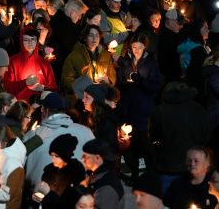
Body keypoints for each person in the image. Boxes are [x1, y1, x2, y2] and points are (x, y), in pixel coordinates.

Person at [23, 92, 94, 187]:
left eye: (42, 109)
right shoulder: (85, 131)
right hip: (76, 196)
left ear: (45, 111)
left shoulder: (33, 135)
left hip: (38, 194)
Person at [116, 33, 160, 183]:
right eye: (134, 47)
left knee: (146, 147)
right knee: (130, 148)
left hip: (144, 111)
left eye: (140, 48)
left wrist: (140, 81)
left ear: (144, 47)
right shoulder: (124, 62)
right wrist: (125, 82)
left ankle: (151, 176)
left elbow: (154, 87)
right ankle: (134, 175)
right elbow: (119, 82)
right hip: (127, 111)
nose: (136, 51)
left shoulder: (150, 64)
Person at [150, 82, 210, 193]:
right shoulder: (199, 109)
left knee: (169, 201)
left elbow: (154, 136)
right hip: (194, 166)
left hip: (168, 166)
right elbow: (206, 135)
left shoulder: (160, 111)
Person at [61, 25, 116, 105]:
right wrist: (83, 86)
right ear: (85, 38)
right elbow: (66, 79)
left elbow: (112, 76)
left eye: (97, 35)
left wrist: (108, 80)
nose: (94, 38)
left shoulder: (106, 55)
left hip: (101, 94)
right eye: (91, 35)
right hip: (83, 98)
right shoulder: (75, 55)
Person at [4, 28, 58, 101]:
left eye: (33, 39)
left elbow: (54, 88)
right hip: (22, 105)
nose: (30, 42)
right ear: (21, 41)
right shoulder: (13, 61)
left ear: (37, 41)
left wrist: (43, 87)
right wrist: (24, 83)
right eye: (26, 40)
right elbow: (8, 88)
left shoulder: (44, 63)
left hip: (41, 104)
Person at [82, 138, 124, 209]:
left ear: (97, 158)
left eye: (86, 156)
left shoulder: (106, 186)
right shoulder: (97, 175)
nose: (82, 159)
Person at [82, 83, 120, 154]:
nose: (83, 100)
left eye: (87, 97)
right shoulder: (93, 117)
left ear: (97, 99)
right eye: (84, 97)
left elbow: (110, 147)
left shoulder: (107, 120)